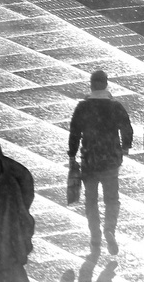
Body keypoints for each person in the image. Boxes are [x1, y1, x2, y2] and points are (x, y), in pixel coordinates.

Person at [69, 68, 133, 255]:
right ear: (106, 84)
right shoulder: (115, 107)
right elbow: (126, 128)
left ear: (91, 85)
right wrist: (125, 147)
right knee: (112, 199)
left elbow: (75, 132)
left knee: (91, 200)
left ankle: (95, 235)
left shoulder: (83, 107)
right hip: (111, 161)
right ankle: (110, 230)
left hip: (90, 160)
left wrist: (72, 155)